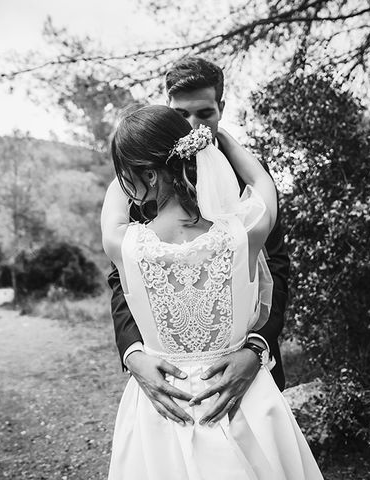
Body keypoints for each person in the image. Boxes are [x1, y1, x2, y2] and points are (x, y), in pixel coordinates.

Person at [102, 105, 322, 479]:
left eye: (127, 175)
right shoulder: (244, 232)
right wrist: (221, 142)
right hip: (244, 403)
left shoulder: (122, 243)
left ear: (147, 174)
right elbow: (261, 182)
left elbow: (116, 204)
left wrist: (139, 164)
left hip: (163, 406)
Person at [107, 57, 290, 429]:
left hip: (248, 374)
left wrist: (257, 349)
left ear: (221, 107)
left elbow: (279, 269)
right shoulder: (250, 216)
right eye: (181, 115)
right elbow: (118, 284)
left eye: (204, 113)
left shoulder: (123, 225)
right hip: (161, 380)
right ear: (168, 112)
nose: (193, 127)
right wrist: (133, 354)